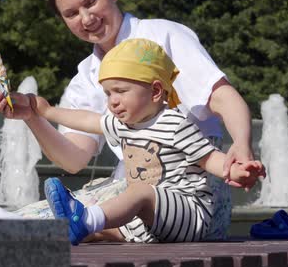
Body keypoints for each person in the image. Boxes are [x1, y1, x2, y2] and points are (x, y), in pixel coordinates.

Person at [0, 0, 257, 241]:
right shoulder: (85, 77)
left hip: (189, 195)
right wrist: (34, 115)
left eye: (91, 1)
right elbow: (74, 157)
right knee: (76, 213)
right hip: (135, 191)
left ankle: (26, 225)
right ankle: (24, 226)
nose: (86, 18)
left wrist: (241, 146)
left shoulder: (161, 36)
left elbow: (221, 97)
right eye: (71, 13)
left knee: (85, 211)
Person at [33, 38, 265, 245]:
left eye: (120, 91)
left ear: (155, 91)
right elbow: (87, 119)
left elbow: (210, 158)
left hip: (189, 215)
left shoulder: (175, 124)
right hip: (152, 219)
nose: (112, 101)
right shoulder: (123, 124)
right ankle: (62, 231)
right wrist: (47, 111)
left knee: (139, 193)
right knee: (104, 228)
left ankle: (83, 217)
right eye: (108, 93)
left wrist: (236, 171)